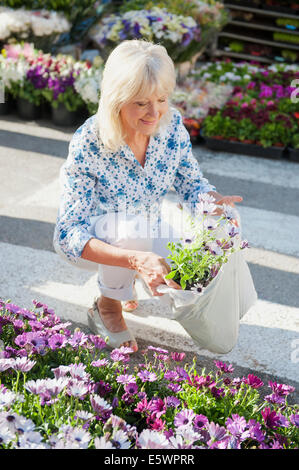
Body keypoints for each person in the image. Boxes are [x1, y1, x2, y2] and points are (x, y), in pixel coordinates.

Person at [53, 39, 243, 353]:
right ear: (117, 99)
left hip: (144, 228)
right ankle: (107, 306)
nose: (154, 112)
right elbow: (68, 233)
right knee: (131, 232)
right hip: (95, 240)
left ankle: (124, 279)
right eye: (141, 103)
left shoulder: (171, 127)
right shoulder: (90, 139)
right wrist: (136, 260)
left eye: (162, 99)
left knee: (201, 254)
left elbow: (191, 184)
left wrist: (213, 203)